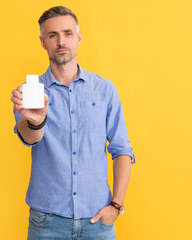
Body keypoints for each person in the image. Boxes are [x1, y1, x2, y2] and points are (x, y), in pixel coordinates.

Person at [11, 6, 135, 240]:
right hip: (47, 221)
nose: (61, 41)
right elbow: (29, 137)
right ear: (43, 42)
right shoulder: (30, 93)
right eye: (52, 35)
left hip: (97, 221)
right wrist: (37, 121)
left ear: (78, 38)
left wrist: (116, 206)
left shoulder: (104, 90)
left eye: (68, 33)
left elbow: (122, 150)